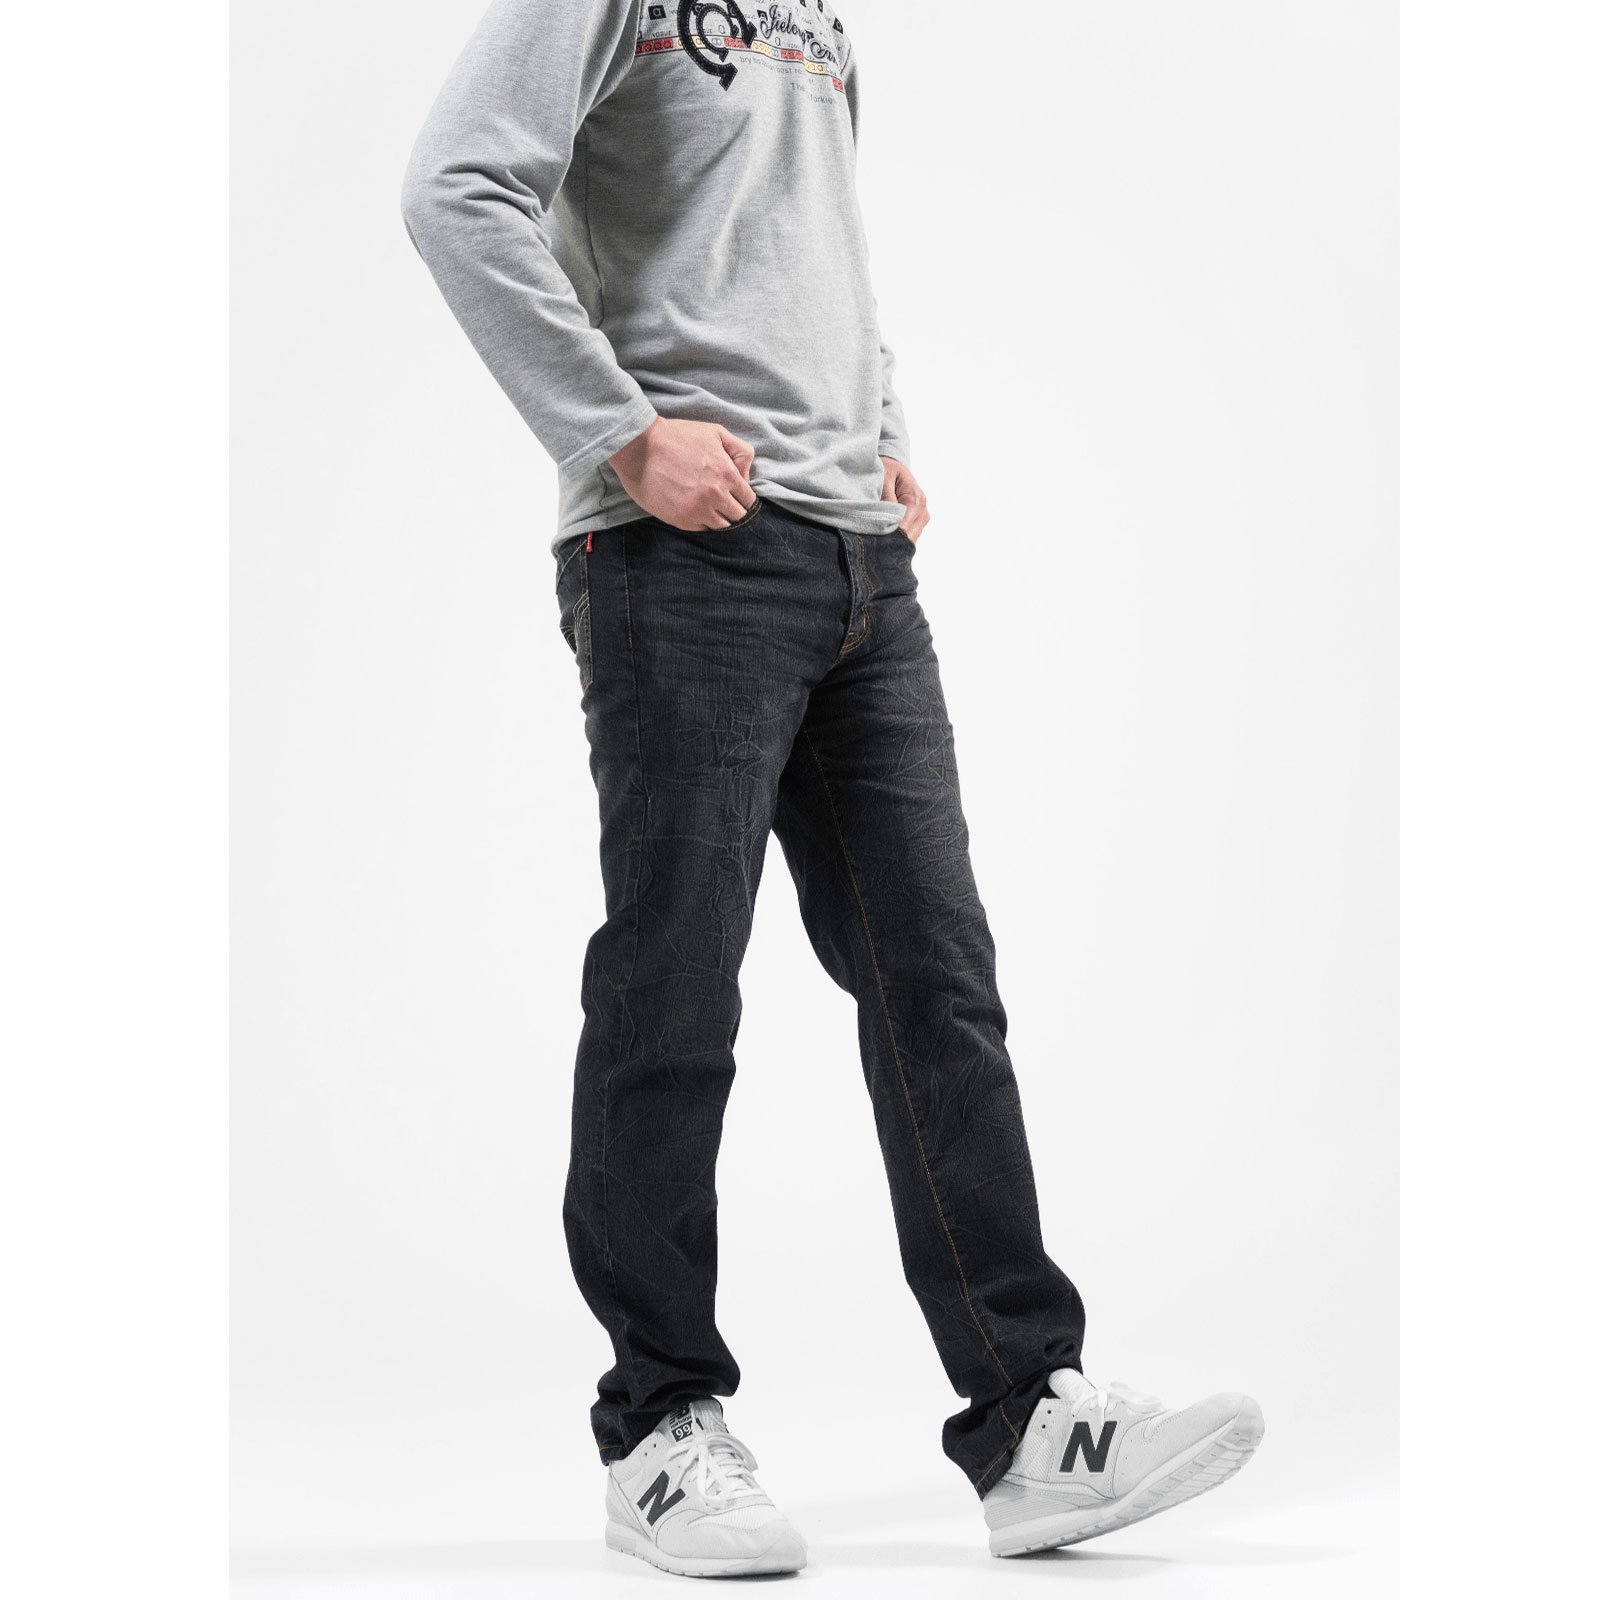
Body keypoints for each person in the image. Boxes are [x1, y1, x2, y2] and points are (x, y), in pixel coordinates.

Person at [402, 0, 1262, 1576]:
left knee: (939, 974)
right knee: (675, 988)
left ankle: (1029, 1420)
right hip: (680, 556)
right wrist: (621, 433)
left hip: (858, 559)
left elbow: (807, 248)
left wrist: (881, 430)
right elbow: (455, 188)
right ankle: (658, 1426)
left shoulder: (817, 16)